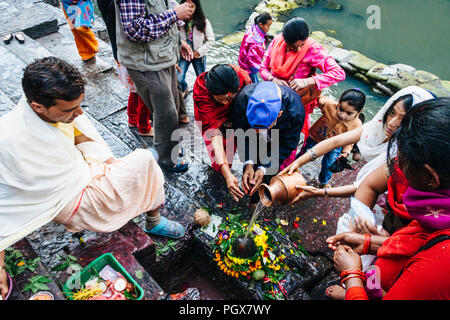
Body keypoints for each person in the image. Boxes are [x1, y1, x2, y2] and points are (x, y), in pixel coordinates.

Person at [0, 57, 187, 299]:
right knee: (146, 159)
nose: (79, 113)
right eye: (70, 109)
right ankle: (153, 219)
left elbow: (80, 136)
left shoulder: (54, 111)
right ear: (37, 106)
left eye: (80, 105)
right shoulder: (9, 140)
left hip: (80, 172)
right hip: (71, 200)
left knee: (141, 159)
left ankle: (152, 216)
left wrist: (98, 161)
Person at [325, 97, 450, 300]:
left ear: (430, 177)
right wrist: (368, 243)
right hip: (380, 284)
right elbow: (415, 245)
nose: (397, 163)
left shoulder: (442, 262)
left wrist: (352, 276)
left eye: (403, 157)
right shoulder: (436, 211)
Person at [279, 86, 435, 203]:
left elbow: (365, 186)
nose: (392, 123)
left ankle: (324, 183)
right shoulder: (374, 129)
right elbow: (335, 141)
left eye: (403, 118)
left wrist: (318, 193)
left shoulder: (405, 156)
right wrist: (298, 162)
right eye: (392, 113)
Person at [115, 0, 195, 172]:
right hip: (147, 63)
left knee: (173, 106)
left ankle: (170, 146)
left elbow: (157, 13)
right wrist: (175, 14)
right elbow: (134, 29)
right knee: (165, 114)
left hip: (162, 56)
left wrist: (178, 42)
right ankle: (166, 158)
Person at [259, 17, 345, 141]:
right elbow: (262, 68)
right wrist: (272, 79)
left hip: (297, 103)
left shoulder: (313, 49)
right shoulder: (277, 41)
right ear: (285, 40)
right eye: (294, 47)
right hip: (273, 97)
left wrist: (307, 81)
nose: (299, 50)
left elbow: (339, 73)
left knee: (290, 135)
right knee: (267, 133)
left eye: (302, 45)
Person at [230, 81, 305, 205]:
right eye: (255, 128)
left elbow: (286, 144)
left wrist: (264, 168)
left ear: (279, 115)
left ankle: (257, 199)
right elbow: (241, 133)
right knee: (250, 168)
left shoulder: (295, 111)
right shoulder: (242, 100)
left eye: (261, 128)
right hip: (251, 135)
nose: (258, 132)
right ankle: (250, 191)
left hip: (278, 139)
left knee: (267, 173)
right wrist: (248, 162)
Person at [193, 64, 251, 201]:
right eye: (220, 99)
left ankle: (226, 170)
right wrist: (226, 172)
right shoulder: (202, 95)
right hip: (212, 122)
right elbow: (214, 136)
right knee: (218, 154)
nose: (225, 103)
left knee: (231, 148)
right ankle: (221, 174)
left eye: (229, 99)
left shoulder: (241, 77)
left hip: (233, 117)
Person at [97, 0, 153, 136]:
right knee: (144, 92)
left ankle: (132, 119)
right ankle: (144, 126)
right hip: (133, 55)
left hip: (120, 52)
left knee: (134, 90)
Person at [298, 89, 365, 188]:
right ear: (338, 103)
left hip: (335, 146)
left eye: (349, 113)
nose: (342, 115)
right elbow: (317, 98)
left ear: (359, 112)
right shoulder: (328, 105)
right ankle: (295, 166)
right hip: (315, 137)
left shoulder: (357, 125)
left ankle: (323, 182)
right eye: (340, 109)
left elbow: (350, 141)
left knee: (328, 165)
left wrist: (345, 152)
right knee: (304, 152)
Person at [177, 0, 215, 97]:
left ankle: (201, 95)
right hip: (184, 52)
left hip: (199, 53)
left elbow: (210, 40)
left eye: (192, 7)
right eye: (186, 6)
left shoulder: (204, 22)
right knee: (179, 78)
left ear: (196, 8)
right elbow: (174, 37)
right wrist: (181, 46)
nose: (189, 9)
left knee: (201, 78)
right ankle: (184, 87)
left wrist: (198, 52)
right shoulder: (178, 21)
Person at [238, 12, 272, 83]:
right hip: (249, 68)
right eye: (268, 26)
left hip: (243, 61)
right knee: (254, 84)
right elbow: (253, 61)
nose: (269, 28)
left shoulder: (252, 29)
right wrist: (262, 69)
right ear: (261, 24)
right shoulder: (256, 43)